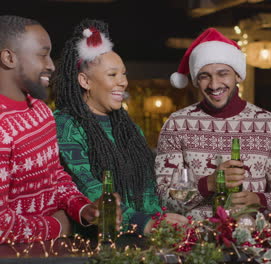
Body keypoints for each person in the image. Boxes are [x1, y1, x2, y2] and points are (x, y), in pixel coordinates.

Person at [52, 19, 187, 236]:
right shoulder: (66, 124)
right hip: (94, 242)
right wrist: (142, 223)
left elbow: (148, 189)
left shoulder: (129, 128)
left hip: (141, 238)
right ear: (85, 81)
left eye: (123, 73)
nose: (123, 82)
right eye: (112, 74)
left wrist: (161, 220)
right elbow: (86, 185)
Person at [0, 15, 121, 244]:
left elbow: (55, 177)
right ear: (9, 57)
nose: (50, 65)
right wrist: (60, 225)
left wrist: (83, 209)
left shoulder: (41, 111)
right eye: (41, 54)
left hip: (54, 252)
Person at [156, 27, 271, 220]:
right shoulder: (177, 125)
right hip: (195, 242)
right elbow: (163, 199)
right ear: (196, 80)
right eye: (205, 76)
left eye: (223, 74)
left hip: (250, 241)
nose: (214, 85)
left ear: (238, 75)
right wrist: (209, 184)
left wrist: (259, 199)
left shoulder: (269, 124)